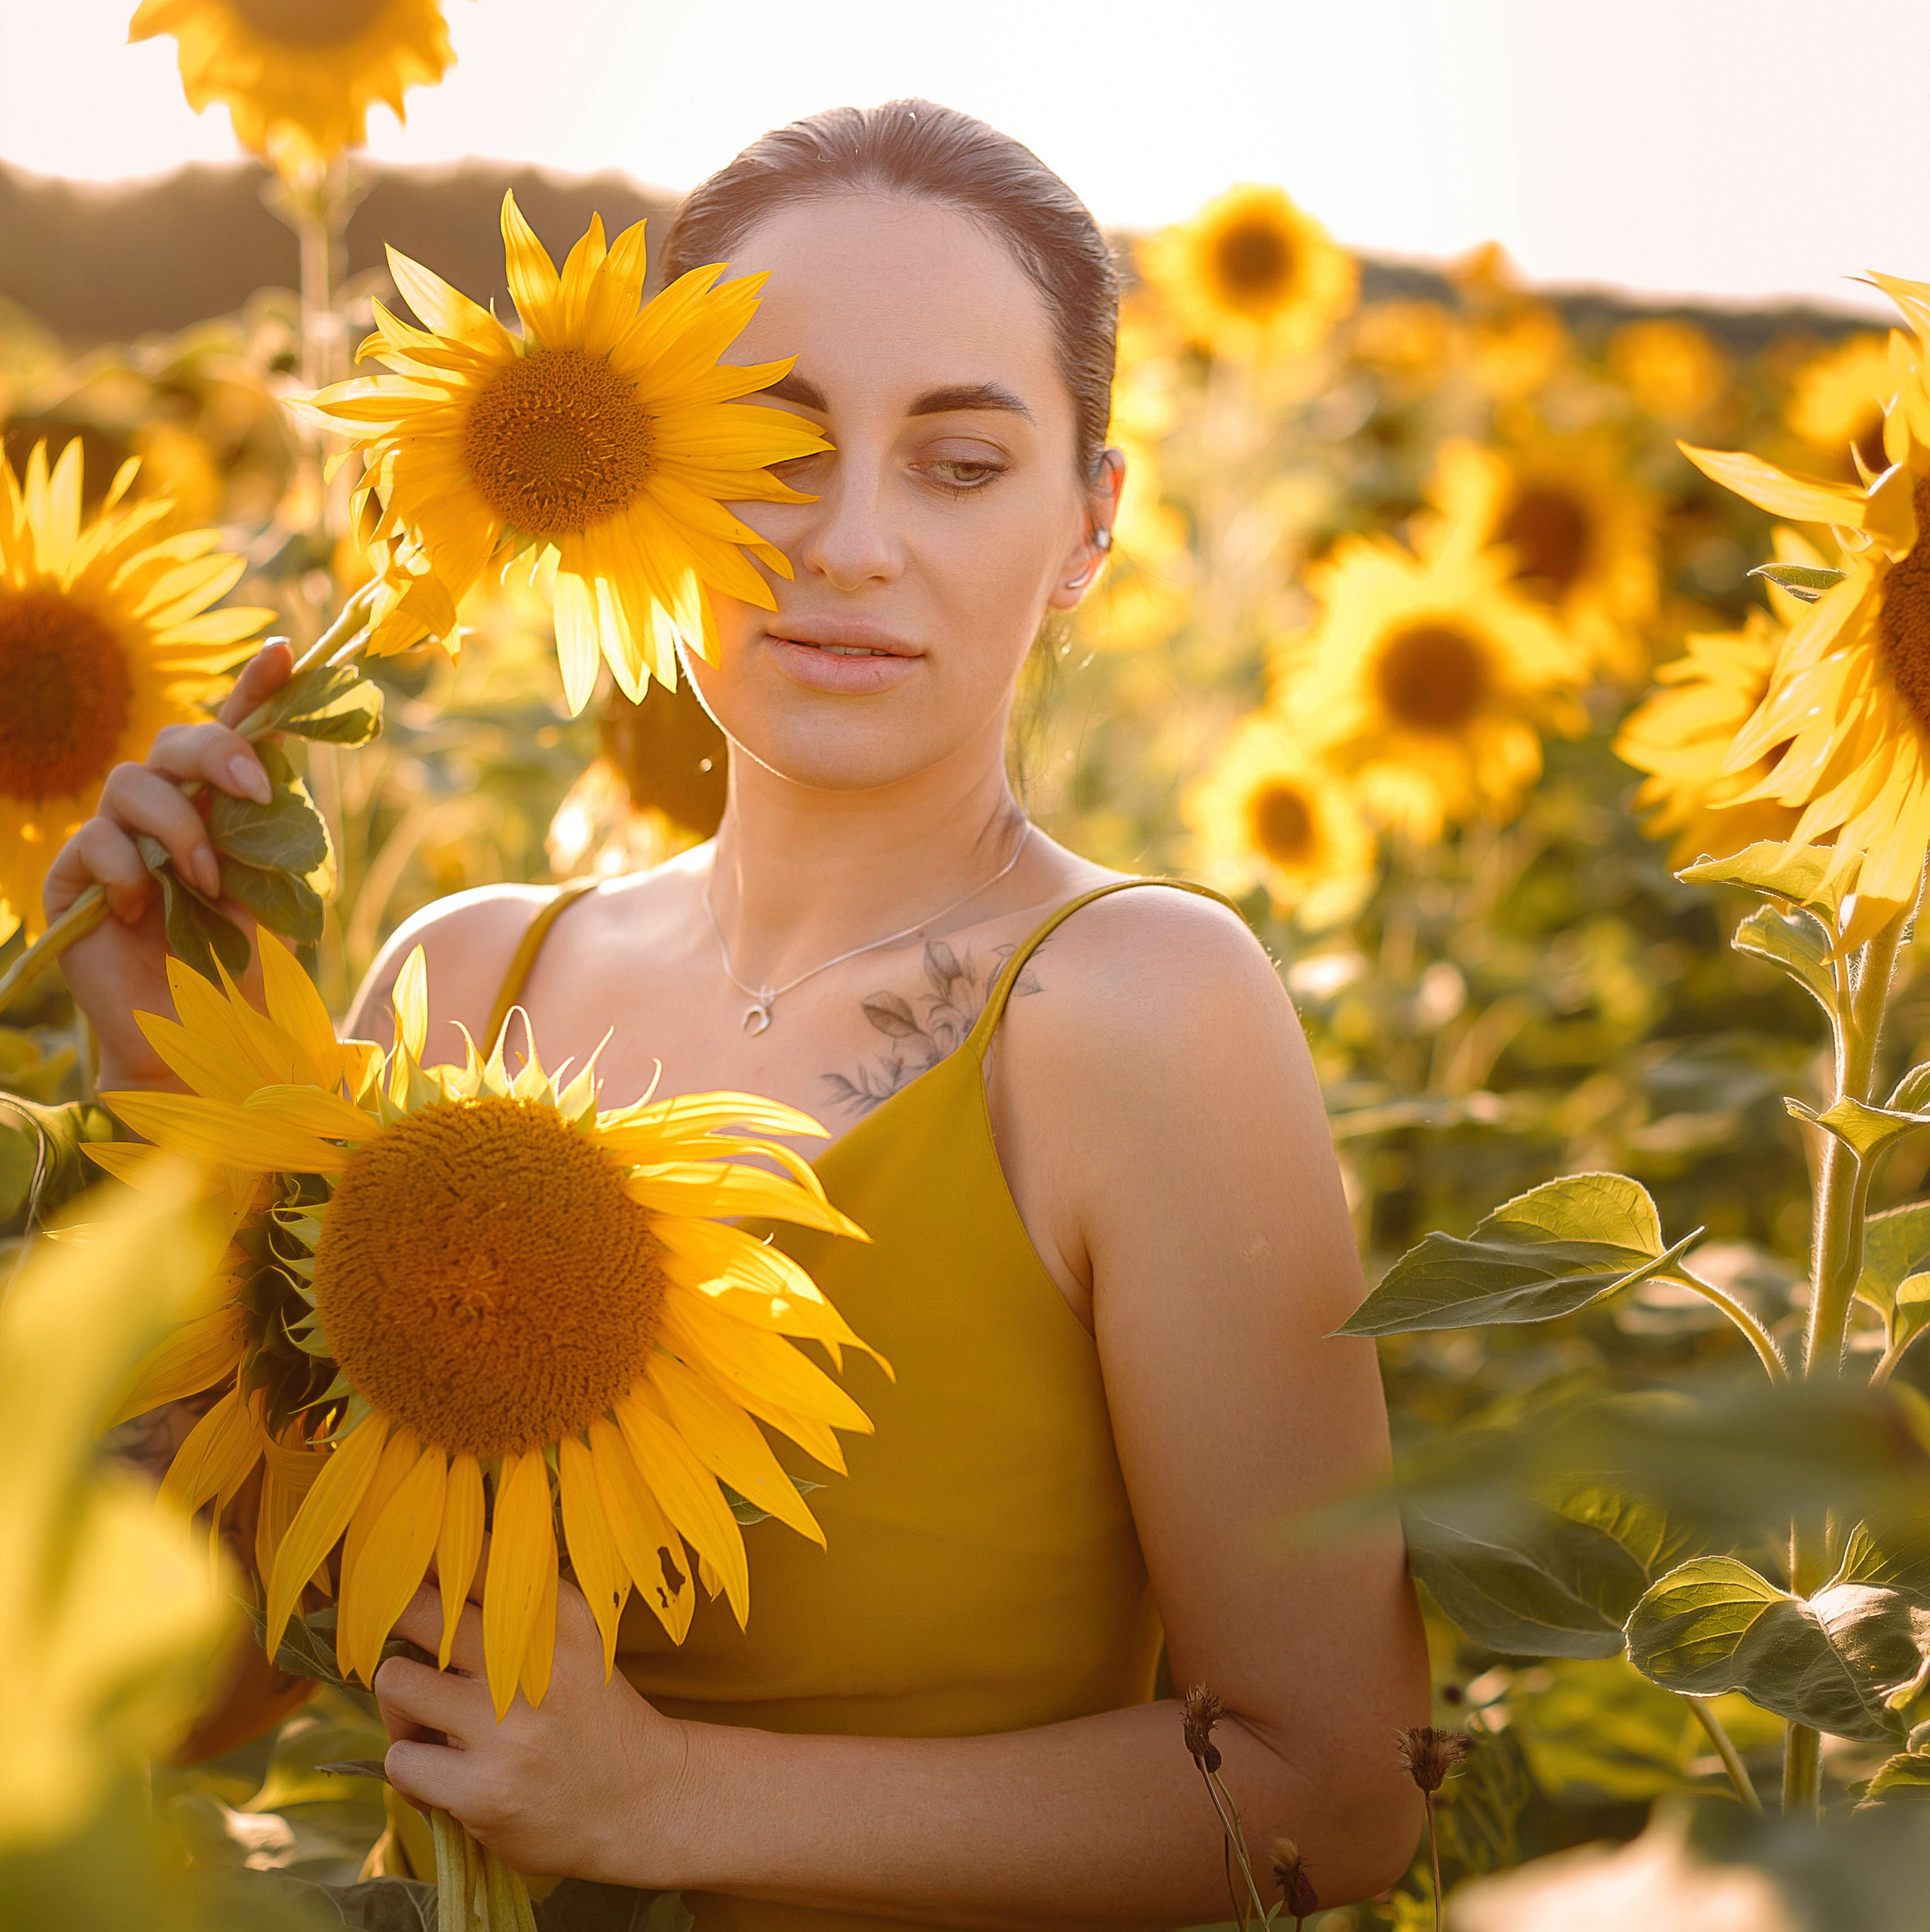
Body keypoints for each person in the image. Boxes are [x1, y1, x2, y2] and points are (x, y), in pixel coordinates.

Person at [51, 100, 1429, 1932]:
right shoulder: (462, 981)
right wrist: (158, 1063)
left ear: (1090, 526)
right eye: (774, 447)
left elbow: (1331, 1796)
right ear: (647, 482)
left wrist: (665, 1797)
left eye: (958, 463)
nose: (848, 542)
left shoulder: (1132, 1009)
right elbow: (204, 1693)